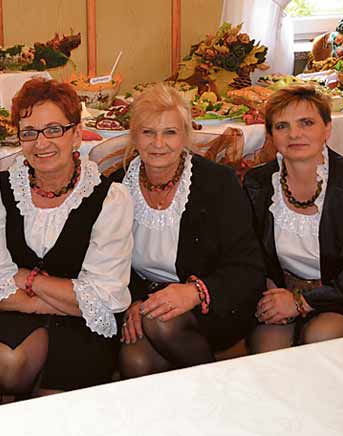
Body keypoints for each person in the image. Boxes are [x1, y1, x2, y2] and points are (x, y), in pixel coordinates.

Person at [0, 78, 133, 397]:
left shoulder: (111, 198)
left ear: (77, 134)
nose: (41, 143)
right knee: (3, 364)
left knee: (57, 403)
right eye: (29, 132)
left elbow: (106, 298)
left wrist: (27, 279)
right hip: (23, 315)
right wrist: (66, 299)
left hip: (84, 327)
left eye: (54, 129)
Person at [113, 84, 265, 378]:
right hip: (148, 304)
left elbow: (248, 268)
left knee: (161, 324)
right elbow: (110, 260)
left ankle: (216, 390)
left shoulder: (217, 183)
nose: (158, 143)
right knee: (135, 360)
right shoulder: (118, 186)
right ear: (134, 136)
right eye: (148, 132)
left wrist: (194, 292)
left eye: (170, 132)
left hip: (212, 303)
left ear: (185, 135)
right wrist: (134, 300)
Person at [243, 84, 343, 353]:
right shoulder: (257, 183)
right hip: (282, 291)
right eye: (282, 126)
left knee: (320, 336)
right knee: (268, 352)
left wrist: (302, 302)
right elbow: (249, 252)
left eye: (307, 123)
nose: (294, 134)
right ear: (271, 135)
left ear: (327, 128)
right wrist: (271, 293)